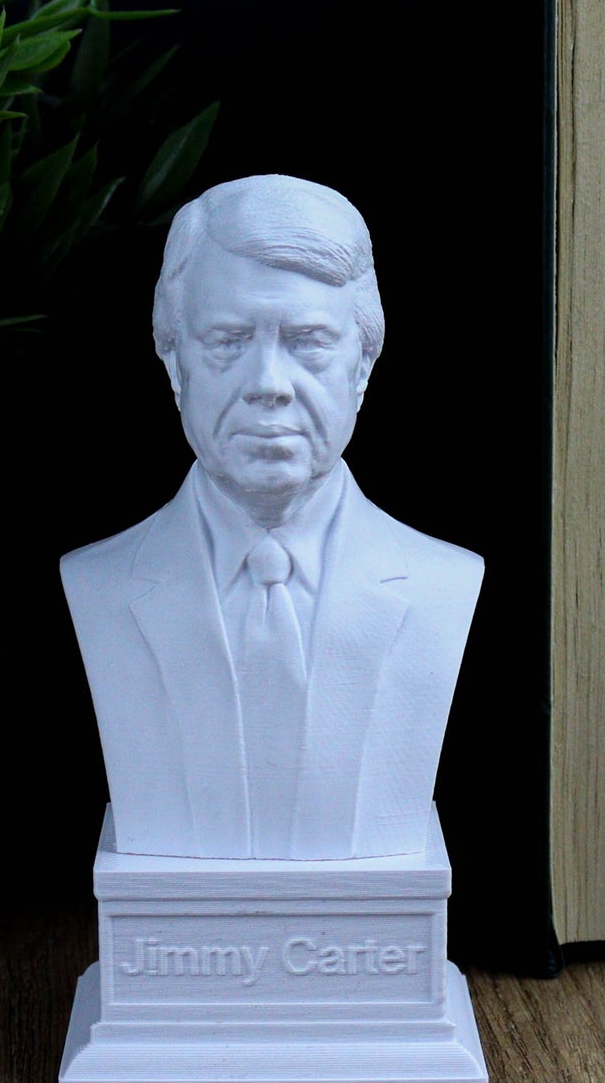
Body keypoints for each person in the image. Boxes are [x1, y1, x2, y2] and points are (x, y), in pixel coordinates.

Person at [60, 173, 483, 859]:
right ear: (173, 360)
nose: (268, 384)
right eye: (228, 340)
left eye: (308, 340)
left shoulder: (443, 585)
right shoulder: (100, 584)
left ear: (363, 363)